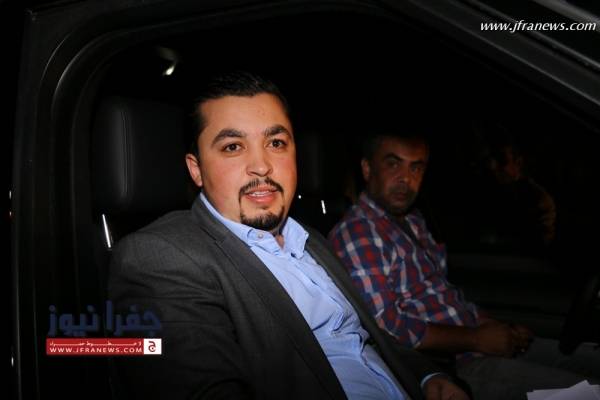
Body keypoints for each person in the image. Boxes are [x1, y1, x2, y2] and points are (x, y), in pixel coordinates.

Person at [108, 72, 468, 400]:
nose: (262, 166)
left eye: (276, 143)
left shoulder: (310, 239)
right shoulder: (159, 257)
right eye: (233, 146)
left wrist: (428, 377)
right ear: (196, 169)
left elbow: (369, 336)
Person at [328, 132, 599, 400]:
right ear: (367, 168)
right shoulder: (359, 233)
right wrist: (477, 339)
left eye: (416, 167)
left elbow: (444, 294)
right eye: (393, 164)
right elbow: (387, 328)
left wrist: (494, 326)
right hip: (451, 367)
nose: (406, 179)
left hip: (472, 344)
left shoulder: (411, 220)